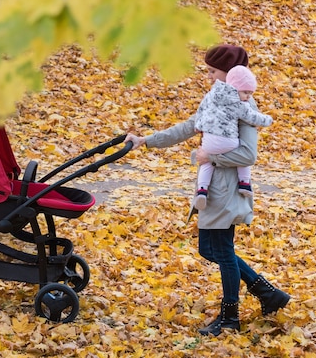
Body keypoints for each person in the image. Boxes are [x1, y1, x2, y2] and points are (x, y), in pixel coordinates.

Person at [124, 44, 290, 336]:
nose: (209, 76)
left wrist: (209, 157)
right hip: (213, 188)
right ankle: (266, 292)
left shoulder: (245, 107)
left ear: (230, 73)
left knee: (223, 251)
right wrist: (146, 140)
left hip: (227, 190)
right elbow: (190, 126)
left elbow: (248, 155)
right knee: (208, 249)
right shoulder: (214, 99)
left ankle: (230, 318)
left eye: (213, 71)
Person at [192, 65, 273, 212]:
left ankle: (202, 190)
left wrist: (198, 125)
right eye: (246, 92)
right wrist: (268, 120)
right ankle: (244, 183)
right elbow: (253, 117)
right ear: (236, 88)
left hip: (208, 142)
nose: (248, 97)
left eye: (250, 93)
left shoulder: (212, 94)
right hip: (228, 142)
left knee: (206, 164)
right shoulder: (238, 103)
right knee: (242, 154)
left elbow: (201, 109)